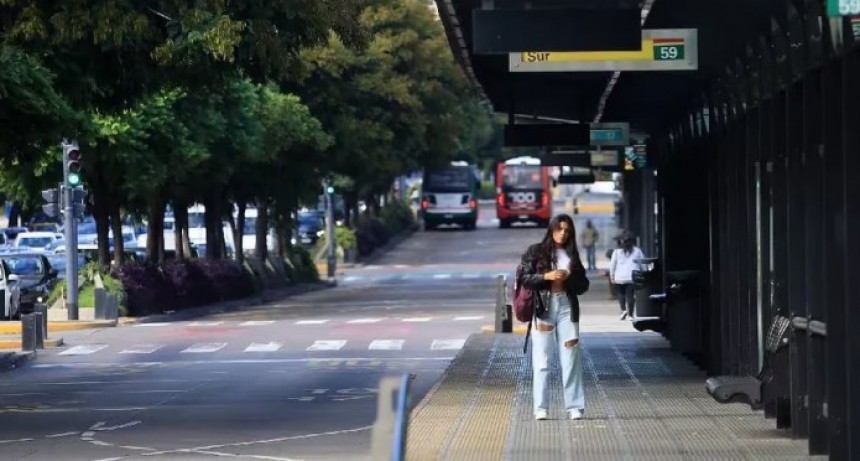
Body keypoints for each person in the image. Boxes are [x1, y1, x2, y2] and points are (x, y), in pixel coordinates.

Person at [518, 214, 590, 421]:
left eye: (567, 230)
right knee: (542, 361)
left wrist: (570, 277)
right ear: (551, 230)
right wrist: (546, 277)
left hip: (567, 307)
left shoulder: (572, 256)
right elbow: (525, 278)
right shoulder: (536, 252)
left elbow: (583, 286)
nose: (563, 233)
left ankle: (574, 407)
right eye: (559, 229)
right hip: (544, 309)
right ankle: (540, 408)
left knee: (571, 358)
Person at [609, 233, 644, 320]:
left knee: (621, 294)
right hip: (631, 277)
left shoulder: (617, 252)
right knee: (630, 295)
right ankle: (630, 315)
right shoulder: (637, 251)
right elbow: (642, 263)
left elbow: (612, 265)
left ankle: (623, 310)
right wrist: (643, 272)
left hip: (620, 277)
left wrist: (612, 275)